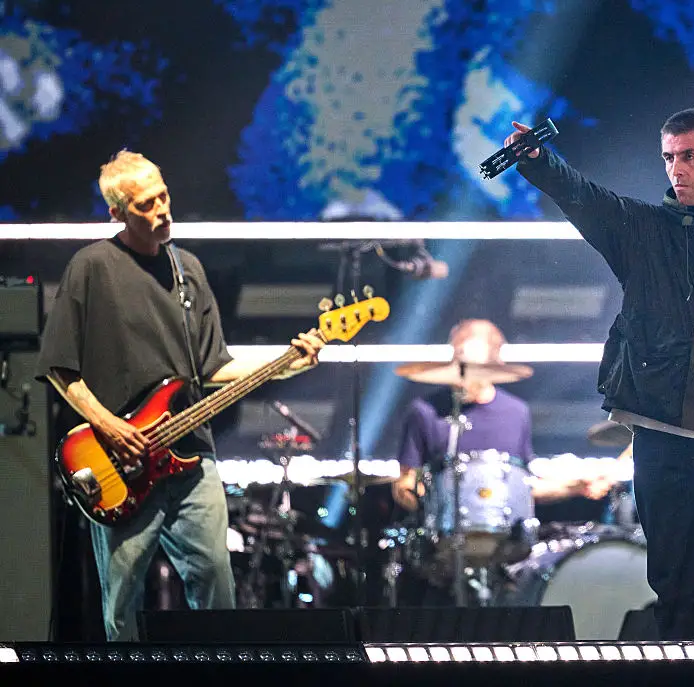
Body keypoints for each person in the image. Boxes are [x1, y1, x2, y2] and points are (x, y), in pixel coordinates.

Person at [506, 109, 694, 640]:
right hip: (661, 432)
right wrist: (540, 161)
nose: (676, 168)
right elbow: (584, 197)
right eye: (668, 157)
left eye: (689, 156)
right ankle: (688, 676)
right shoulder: (640, 228)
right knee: (675, 584)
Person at [36, 150, 325, 641]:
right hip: (119, 462)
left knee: (216, 581)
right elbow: (60, 369)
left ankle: (216, 671)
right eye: (146, 205)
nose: (162, 210)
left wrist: (286, 364)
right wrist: (110, 426)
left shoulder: (187, 269)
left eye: (164, 196)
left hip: (191, 457)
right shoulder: (91, 266)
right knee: (123, 603)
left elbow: (214, 368)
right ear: (118, 212)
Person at [391, 319, 611, 513]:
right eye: (461, 364)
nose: (466, 375)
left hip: (503, 539)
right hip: (441, 535)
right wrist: (430, 505)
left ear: (494, 366)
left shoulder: (516, 412)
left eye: (477, 367)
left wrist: (575, 487)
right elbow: (405, 483)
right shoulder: (425, 411)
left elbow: (522, 487)